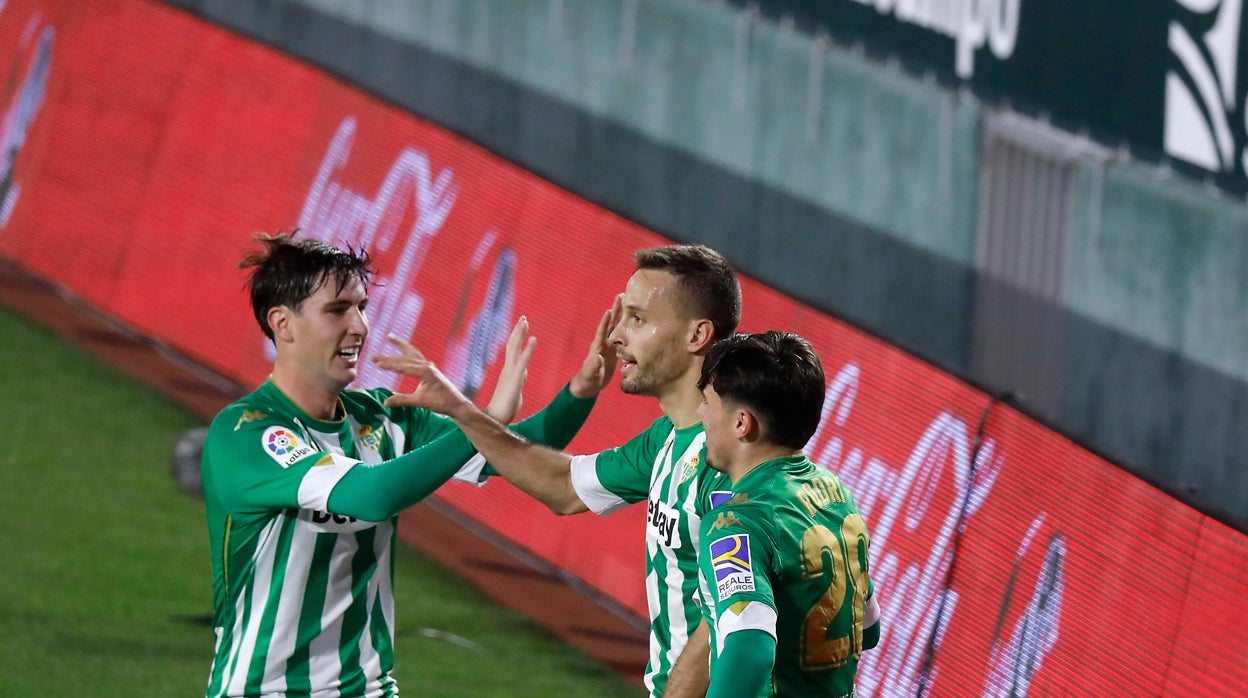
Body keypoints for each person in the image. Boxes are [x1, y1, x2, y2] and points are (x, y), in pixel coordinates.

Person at [200, 231, 615, 698]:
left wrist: (579, 394)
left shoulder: (382, 415)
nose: (359, 326)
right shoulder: (247, 433)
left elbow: (515, 452)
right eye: (337, 310)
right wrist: (476, 421)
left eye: (361, 307)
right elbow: (371, 496)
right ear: (283, 324)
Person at [375, 244, 742, 697]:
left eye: (638, 319)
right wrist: (467, 414)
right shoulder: (667, 438)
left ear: (696, 335)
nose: (616, 336)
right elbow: (563, 486)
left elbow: (731, 616)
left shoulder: (730, 458)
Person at [695, 331, 881, 697]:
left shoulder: (738, 521)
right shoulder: (836, 493)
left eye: (707, 401)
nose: (701, 414)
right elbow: (868, 629)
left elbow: (750, 650)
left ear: (741, 422)